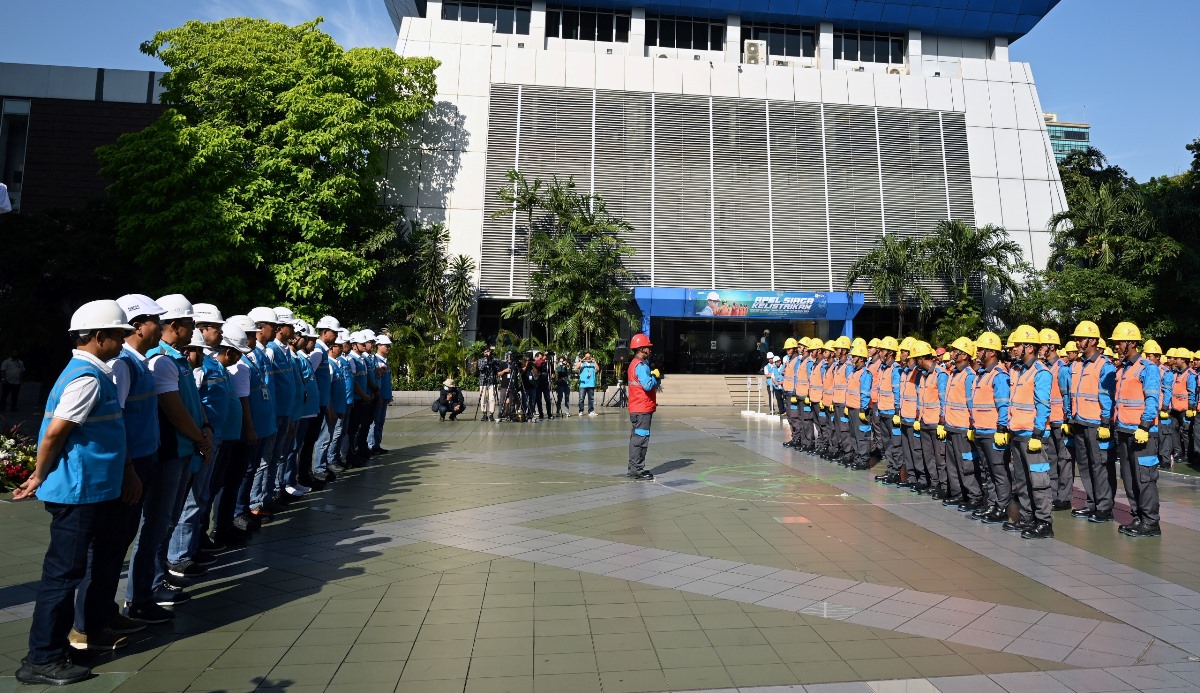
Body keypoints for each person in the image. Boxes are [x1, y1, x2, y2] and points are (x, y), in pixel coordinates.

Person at [13, 300, 132, 686]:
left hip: (91, 491)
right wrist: (37, 475)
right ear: (99, 337)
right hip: (77, 493)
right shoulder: (86, 378)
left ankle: (56, 649)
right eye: (118, 335)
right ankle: (41, 658)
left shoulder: (96, 373)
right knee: (63, 577)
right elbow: (54, 433)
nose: (122, 341)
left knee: (72, 572)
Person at [124, 294, 210, 621]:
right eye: (190, 324)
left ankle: (155, 584)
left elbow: (192, 402)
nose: (194, 330)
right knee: (156, 525)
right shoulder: (159, 360)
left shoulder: (177, 359)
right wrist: (199, 436)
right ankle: (139, 595)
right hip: (171, 452)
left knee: (167, 522)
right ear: (177, 326)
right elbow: (173, 409)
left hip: (186, 448)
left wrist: (205, 428)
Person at [1110, 322, 1163, 537]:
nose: (1116, 347)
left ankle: (1151, 522)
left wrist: (1144, 425)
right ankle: (1138, 517)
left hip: (1142, 432)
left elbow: (1152, 399)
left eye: (1119, 343)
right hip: (1124, 430)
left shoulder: (1147, 368)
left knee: (1144, 478)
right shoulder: (1123, 369)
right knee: (1129, 478)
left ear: (1131, 343)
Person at [1007, 325, 1055, 539]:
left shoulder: (1041, 372)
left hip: (1032, 436)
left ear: (1029, 347)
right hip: (1017, 433)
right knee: (1022, 480)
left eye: (1017, 345)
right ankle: (1027, 517)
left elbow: (1044, 405)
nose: (1014, 349)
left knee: (1039, 481)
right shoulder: (1017, 370)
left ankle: (1044, 522)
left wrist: (1037, 434)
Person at [1068, 321, 1117, 523]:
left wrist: (1106, 422)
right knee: (1085, 466)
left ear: (1093, 340)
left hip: (1096, 423)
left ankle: (1104, 507)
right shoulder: (1077, 364)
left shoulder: (1104, 365)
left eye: (1081, 338)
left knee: (1100, 466)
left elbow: (1107, 395)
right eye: (1077, 339)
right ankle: (1092, 503)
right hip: (1079, 421)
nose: (1078, 342)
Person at [971, 332, 1012, 525]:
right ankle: (993, 504)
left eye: (981, 349)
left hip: (993, 432)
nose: (978, 352)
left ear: (992, 352)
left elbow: (1003, 404)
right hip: (981, 430)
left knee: (998, 471)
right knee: (988, 470)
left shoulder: (999, 375)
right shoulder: (982, 374)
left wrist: (1001, 429)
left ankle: (1002, 507)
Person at [942, 337, 983, 512]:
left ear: (965, 355)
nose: (952, 353)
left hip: (963, 428)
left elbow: (971, 403)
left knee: (967, 464)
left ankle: (973, 496)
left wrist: (972, 425)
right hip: (951, 426)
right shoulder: (953, 373)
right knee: (952, 464)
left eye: (955, 351)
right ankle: (958, 493)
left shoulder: (968, 376)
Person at [627, 333, 660, 480]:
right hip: (642, 408)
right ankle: (637, 470)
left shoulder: (634, 363)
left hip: (637, 407)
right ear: (642, 349)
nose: (650, 350)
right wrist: (655, 377)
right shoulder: (640, 366)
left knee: (636, 438)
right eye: (648, 347)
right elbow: (647, 385)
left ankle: (634, 468)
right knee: (641, 440)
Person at [478, 346, 500, 422]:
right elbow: (481, 368)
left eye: (488, 351)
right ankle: (484, 414)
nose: (487, 353)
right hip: (483, 382)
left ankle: (491, 414)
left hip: (492, 382)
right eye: (485, 352)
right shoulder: (481, 360)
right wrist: (487, 361)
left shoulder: (495, 360)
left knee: (492, 398)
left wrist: (491, 360)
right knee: (483, 398)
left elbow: (498, 368)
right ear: (483, 353)